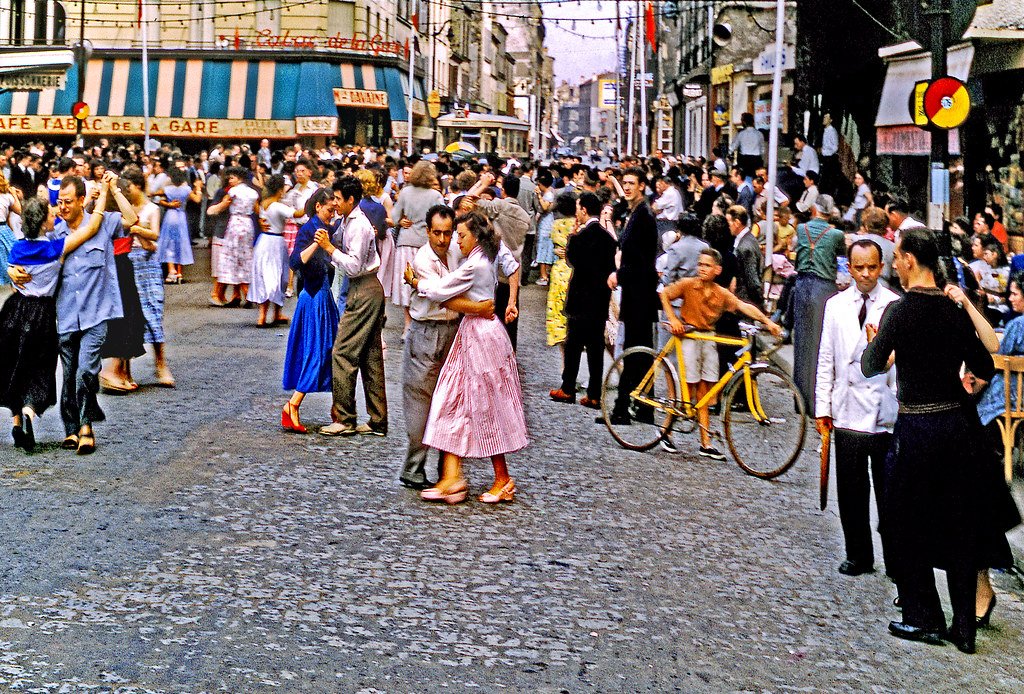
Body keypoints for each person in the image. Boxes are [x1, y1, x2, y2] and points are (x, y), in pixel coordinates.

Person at [862, 228, 1020, 655]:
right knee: (959, 524)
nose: (894, 263)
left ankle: (924, 616)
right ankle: (964, 628)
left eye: (897, 256)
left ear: (911, 260)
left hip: (916, 429)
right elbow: (985, 362)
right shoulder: (952, 310)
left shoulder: (899, 311)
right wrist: (963, 386)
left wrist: (880, 340)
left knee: (903, 523)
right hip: (956, 428)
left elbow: (871, 365)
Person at [8, 174, 139, 455]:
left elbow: (131, 219)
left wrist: (113, 189)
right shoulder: (54, 236)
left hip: (97, 312)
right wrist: (11, 272)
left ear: (82, 200)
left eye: (68, 201)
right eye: (59, 202)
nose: (62, 207)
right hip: (65, 314)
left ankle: (86, 426)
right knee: (68, 376)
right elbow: (29, 262)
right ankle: (71, 430)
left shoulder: (102, 223)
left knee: (86, 371)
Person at [404, 210, 528, 504]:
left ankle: (494, 478)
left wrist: (415, 283)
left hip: (479, 336)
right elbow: (513, 268)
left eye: (460, 235)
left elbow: (439, 290)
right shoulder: (491, 251)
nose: (455, 241)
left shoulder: (474, 263)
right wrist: (509, 302)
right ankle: (455, 476)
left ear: (474, 236)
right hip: (483, 332)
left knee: (478, 404)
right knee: (458, 400)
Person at [815, 240, 900, 577]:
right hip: (847, 407)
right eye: (859, 267)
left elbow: (900, 362)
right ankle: (858, 554)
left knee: (889, 491)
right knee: (851, 489)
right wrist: (823, 406)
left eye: (872, 267)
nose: (865, 274)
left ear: (882, 267)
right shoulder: (835, 306)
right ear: (848, 269)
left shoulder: (894, 304)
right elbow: (826, 359)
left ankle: (897, 560)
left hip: (882, 410)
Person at [398, 204, 498, 490]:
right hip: (427, 332)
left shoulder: (460, 250)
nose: (442, 239)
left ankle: (448, 472)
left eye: (447, 233)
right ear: (427, 231)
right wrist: (479, 308)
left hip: (456, 330)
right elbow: (441, 295)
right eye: (436, 233)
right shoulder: (422, 259)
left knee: (453, 403)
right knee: (421, 401)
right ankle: (414, 468)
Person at [1, 193, 108, 451]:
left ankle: (17, 422)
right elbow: (93, 227)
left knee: (15, 365)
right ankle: (28, 412)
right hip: (43, 313)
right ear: (41, 223)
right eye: (50, 214)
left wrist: (9, 270)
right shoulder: (53, 248)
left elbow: (12, 272)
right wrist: (104, 193)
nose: (55, 215)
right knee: (40, 368)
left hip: (14, 310)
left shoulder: (16, 249)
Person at [661, 248, 782, 459]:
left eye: (707, 265)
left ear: (717, 270)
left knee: (706, 392)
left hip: (708, 338)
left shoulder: (721, 293)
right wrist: (673, 318)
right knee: (688, 389)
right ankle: (665, 432)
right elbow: (664, 293)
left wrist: (768, 322)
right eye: (700, 264)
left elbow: (743, 306)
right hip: (690, 337)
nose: (702, 269)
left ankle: (705, 442)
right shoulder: (688, 284)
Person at [317, 176, 387, 437]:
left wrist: (329, 249)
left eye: (337, 199)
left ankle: (345, 417)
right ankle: (378, 420)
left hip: (363, 289)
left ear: (350, 200)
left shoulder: (358, 225)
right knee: (370, 357)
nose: (334, 203)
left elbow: (354, 265)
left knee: (343, 352)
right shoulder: (347, 221)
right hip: (366, 289)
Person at [281, 189, 340, 434]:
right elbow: (295, 262)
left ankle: (338, 409)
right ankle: (293, 404)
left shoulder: (326, 227)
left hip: (322, 294)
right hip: (314, 295)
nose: (332, 213)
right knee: (319, 351)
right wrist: (316, 244)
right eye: (329, 209)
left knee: (332, 351)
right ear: (317, 207)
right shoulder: (309, 229)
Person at [551, 192, 618, 407]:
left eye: (579, 208)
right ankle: (595, 394)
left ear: (584, 210)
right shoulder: (608, 238)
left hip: (581, 298)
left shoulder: (581, 236)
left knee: (573, 345)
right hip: (599, 299)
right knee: (596, 348)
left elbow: (572, 260)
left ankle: (567, 387)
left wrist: (572, 237)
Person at [607, 167, 660, 425]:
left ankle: (625, 406)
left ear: (641, 186)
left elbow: (641, 259)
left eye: (631, 183)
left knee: (636, 351)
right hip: (636, 292)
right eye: (624, 183)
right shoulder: (636, 212)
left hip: (640, 293)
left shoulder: (643, 216)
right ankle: (639, 405)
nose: (627, 187)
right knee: (638, 351)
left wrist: (620, 274)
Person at [119, 166, 175, 387]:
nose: (126, 191)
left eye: (128, 187)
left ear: (138, 186)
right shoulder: (124, 208)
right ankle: (125, 370)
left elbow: (154, 241)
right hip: (127, 261)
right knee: (127, 315)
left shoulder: (152, 208)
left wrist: (137, 230)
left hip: (148, 263)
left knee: (153, 311)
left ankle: (161, 364)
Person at [791, 204, 846, 409]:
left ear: (814, 209)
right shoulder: (836, 235)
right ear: (830, 213)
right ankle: (817, 401)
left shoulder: (801, 229)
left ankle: (800, 399)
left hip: (802, 284)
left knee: (802, 343)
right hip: (823, 287)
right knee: (822, 343)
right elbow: (841, 255)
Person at [391, 161, 445, 337]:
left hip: (406, 241)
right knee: (425, 282)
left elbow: (394, 217)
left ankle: (407, 326)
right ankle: (420, 321)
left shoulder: (405, 192)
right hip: (426, 245)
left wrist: (402, 221)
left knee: (406, 285)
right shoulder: (435, 196)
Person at [254, 175, 303, 327]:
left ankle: (263, 315)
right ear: (280, 189)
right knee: (278, 276)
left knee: (264, 276)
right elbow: (297, 214)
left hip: (263, 240)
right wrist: (311, 202)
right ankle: (274, 312)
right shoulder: (277, 206)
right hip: (276, 241)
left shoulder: (264, 204)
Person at [207, 167, 259, 307]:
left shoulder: (233, 191)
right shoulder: (253, 193)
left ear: (239, 178)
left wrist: (213, 209)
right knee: (245, 257)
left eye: (232, 178)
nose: (230, 180)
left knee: (232, 257)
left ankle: (245, 293)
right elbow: (257, 210)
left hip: (235, 223)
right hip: (248, 224)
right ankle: (244, 294)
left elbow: (223, 205)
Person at [546, 191, 577, 350]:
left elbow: (554, 246)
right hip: (574, 270)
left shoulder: (556, 225)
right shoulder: (579, 226)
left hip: (558, 270)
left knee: (558, 313)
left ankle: (564, 361)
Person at [155, 167, 197, 284]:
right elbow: (197, 199)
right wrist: (198, 188)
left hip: (170, 216)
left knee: (169, 243)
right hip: (181, 217)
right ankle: (179, 272)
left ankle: (171, 270)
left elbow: (154, 195)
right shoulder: (187, 189)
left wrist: (168, 204)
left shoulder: (167, 189)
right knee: (181, 242)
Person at [534, 168, 557, 285]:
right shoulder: (550, 193)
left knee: (543, 249)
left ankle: (544, 276)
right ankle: (545, 274)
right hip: (547, 224)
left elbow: (544, 207)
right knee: (546, 249)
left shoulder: (548, 194)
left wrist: (538, 195)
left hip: (546, 226)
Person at [0, 173, 22, 288]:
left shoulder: (5, 196)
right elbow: (18, 210)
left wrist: (13, 194)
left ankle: (13, 284)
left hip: (2, 228)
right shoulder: (5, 196)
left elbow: (19, 210)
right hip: (3, 229)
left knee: (11, 255)